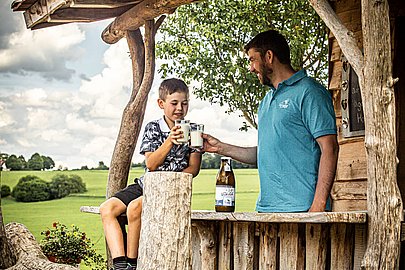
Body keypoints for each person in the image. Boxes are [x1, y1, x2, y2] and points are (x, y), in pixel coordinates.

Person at [203, 30, 339, 213]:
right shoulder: (266, 102)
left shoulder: (309, 92)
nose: (251, 68)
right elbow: (264, 154)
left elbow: (329, 148)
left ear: (269, 56)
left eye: (252, 60)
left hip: (302, 211)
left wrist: (318, 206)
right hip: (267, 210)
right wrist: (219, 148)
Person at [99, 78, 202, 270]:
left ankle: (132, 263)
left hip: (171, 189)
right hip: (146, 183)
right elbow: (151, 164)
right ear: (161, 104)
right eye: (174, 103)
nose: (180, 108)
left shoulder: (194, 130)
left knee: (134, 208)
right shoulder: (153, 128)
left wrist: (172, 182)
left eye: (184, 103)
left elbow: (193, 169)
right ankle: (120, 264)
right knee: (107, 209)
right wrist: (170, 140)